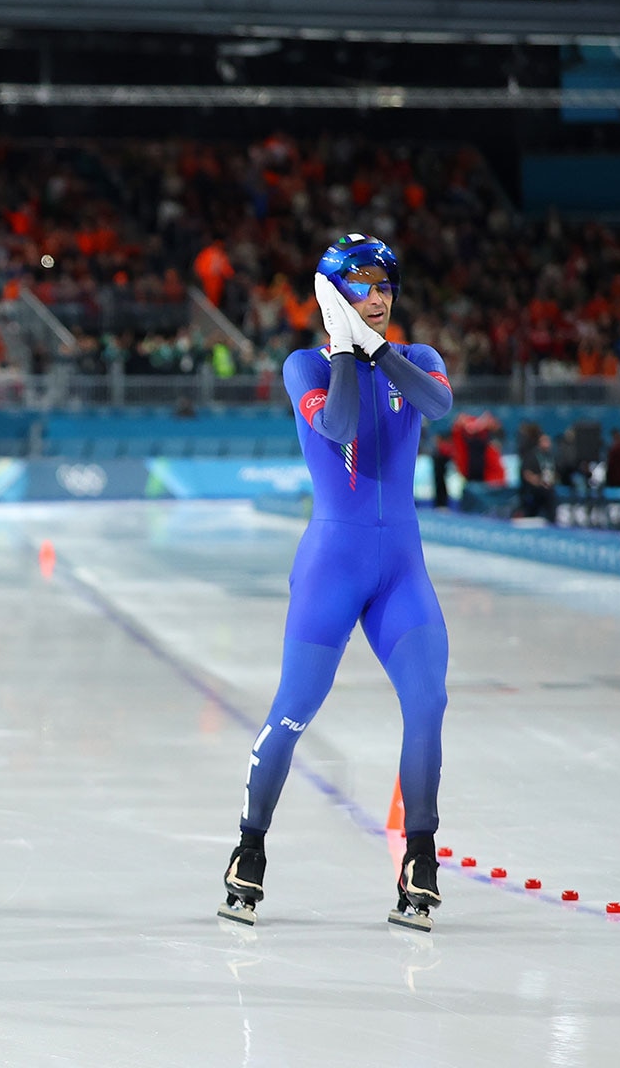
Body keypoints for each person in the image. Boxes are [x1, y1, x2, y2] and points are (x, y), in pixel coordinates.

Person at [219, 235, 454, 932]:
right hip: (332, 567)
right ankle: (250, 845)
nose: (378, 297)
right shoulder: (304, 366)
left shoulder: (418, 360)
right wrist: (348, 347)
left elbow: (436, 409)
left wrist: (374, 348)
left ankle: (420, 855)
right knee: (292, 713)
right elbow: (344, 422)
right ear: (333, 295)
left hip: (400, 571)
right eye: (362, 285)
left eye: (386, 285)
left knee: (428, 702)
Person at [515, 422, 556, 522]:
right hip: (534, 491)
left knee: (551, 514)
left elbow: (555, 472)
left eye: (548, 441)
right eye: (545, 441)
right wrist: (538, 482)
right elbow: (527, 474)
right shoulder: (532, 456)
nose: (547, 443)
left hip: (547, 490)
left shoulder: (550, 457)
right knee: (530, 515)